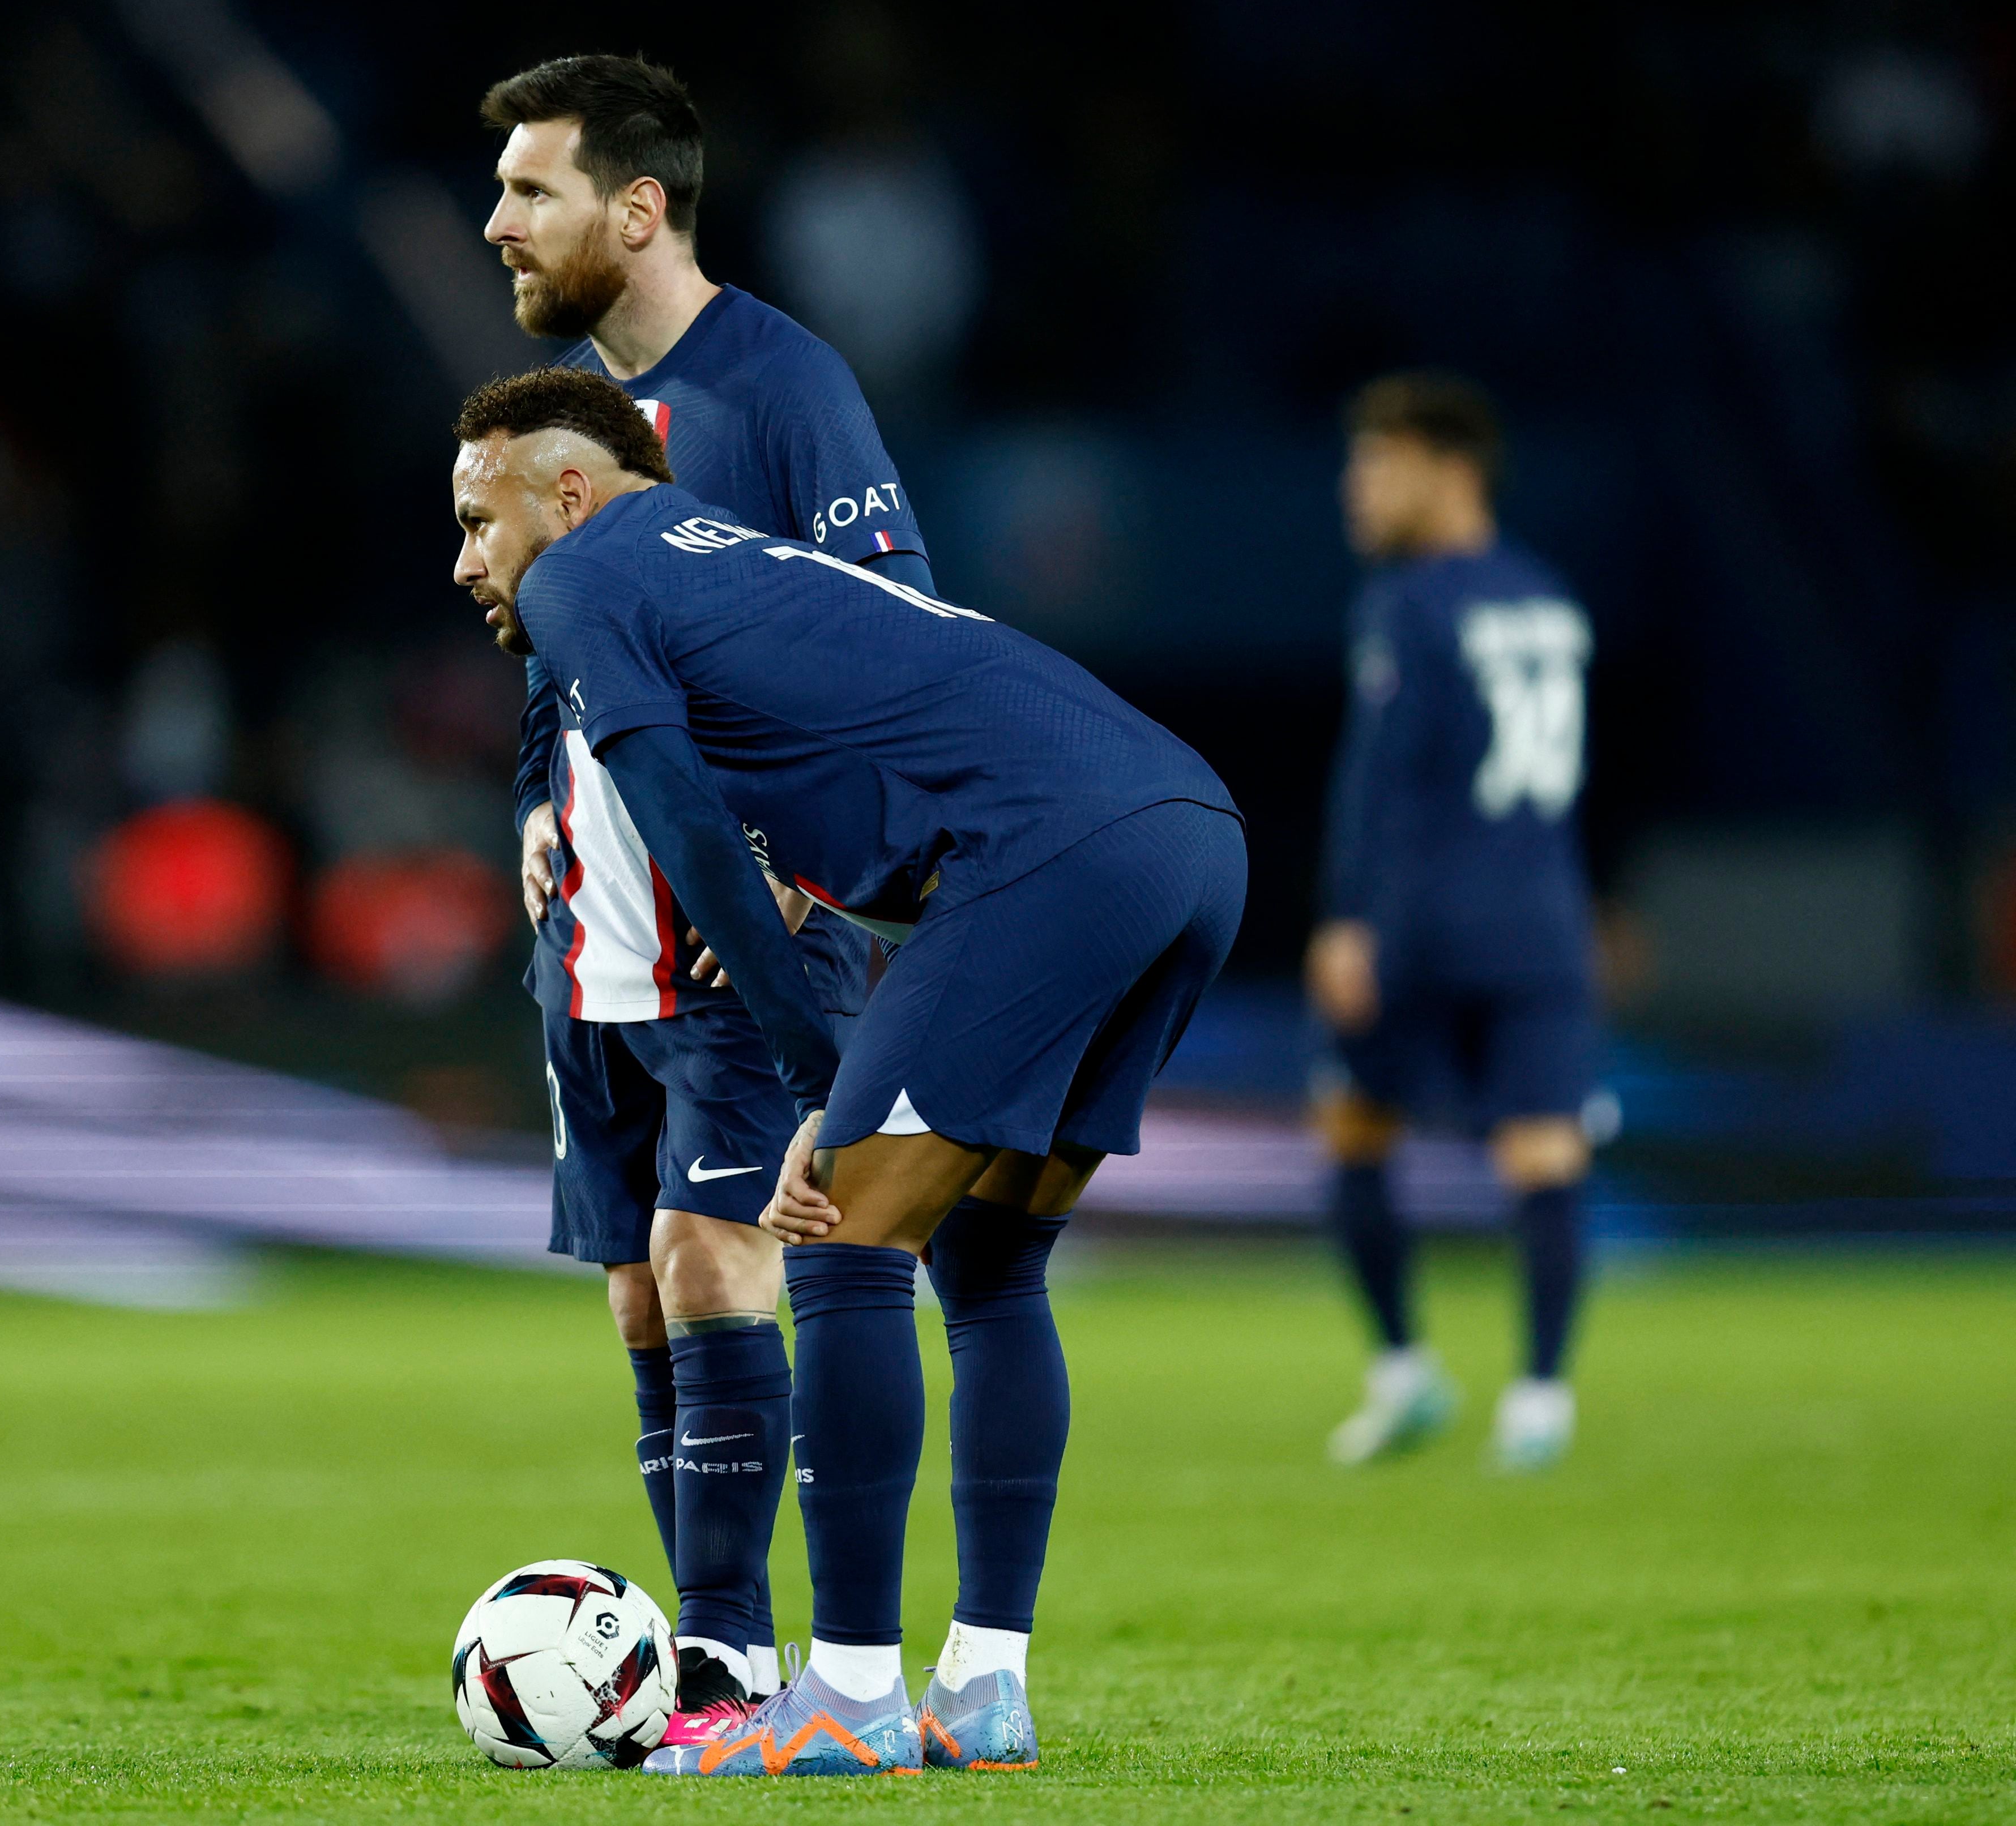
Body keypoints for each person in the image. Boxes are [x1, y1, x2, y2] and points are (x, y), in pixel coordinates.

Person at [449, 367, 1245, 1776]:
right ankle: (982, 1686)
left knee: (839, 1239)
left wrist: (822, 1072)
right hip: (1187, 830)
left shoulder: (588, 580)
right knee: (992, 1263)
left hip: (1042, 850)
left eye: (478, 518)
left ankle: (848, 1698)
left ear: (565, 492)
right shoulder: (738, 557)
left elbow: (682, 822)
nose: (468, 560)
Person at [477, 54, 933, 1740]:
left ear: (638, 206)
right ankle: (700, 1641)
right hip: (586, 929)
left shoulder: (785, 390)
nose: (498, 222)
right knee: (633, 1281)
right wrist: (537, 794)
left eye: (533, 191)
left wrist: (810, 856)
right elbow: (550, 621)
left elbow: (897, 639)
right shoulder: (566, 412)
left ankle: (734, 1650)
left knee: (709, 1248)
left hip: (741, 936)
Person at [1307, 371, 1598, 1473]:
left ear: (1450, 469)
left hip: (1423, 910)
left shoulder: (1410, 602)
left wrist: (1346, 916)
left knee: (1352, 1129)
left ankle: (1403, 1369)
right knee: (1546, 1148)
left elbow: (1378, 776)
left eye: (1379, 463)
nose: (1357, 487)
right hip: (1539, 908)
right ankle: (1541, 1398)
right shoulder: (1547, 595)